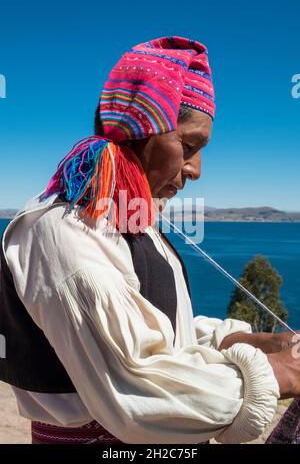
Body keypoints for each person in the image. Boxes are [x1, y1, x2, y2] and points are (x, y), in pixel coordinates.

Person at [0, 36, 299, 445]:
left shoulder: (133, 223)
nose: (196, 170)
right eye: (189, 145)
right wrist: (280, 372)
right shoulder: (62, 229)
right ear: (140, 129)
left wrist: (250, 341)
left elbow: (160, 329)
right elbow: (137, 393)